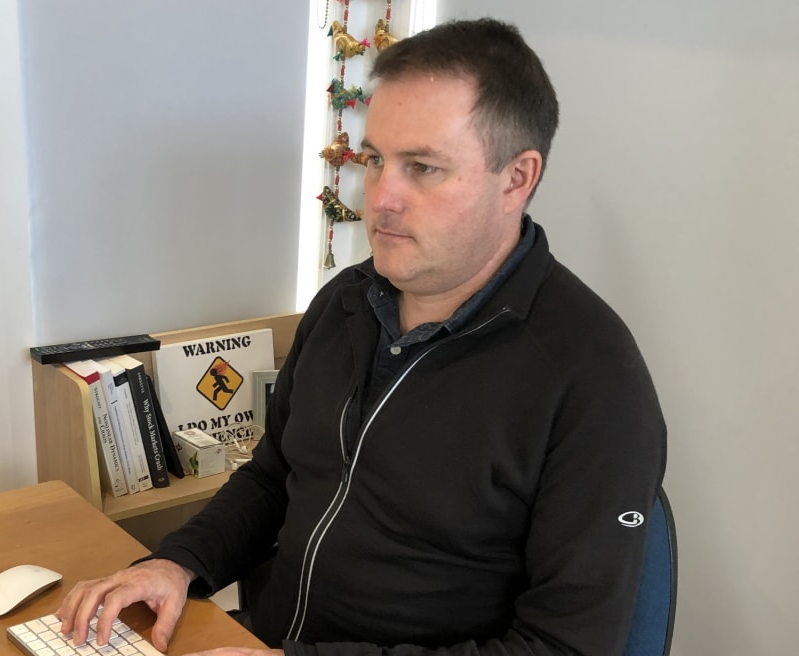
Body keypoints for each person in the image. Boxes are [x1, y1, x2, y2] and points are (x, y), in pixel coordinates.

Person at [58, 17, 666, 656]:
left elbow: (564, 648)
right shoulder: (347, 300)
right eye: (376, 160)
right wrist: (177, 562)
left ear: (517, 178)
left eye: (424, 168)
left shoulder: (594, 380)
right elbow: (274, 476)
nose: (380, 199)